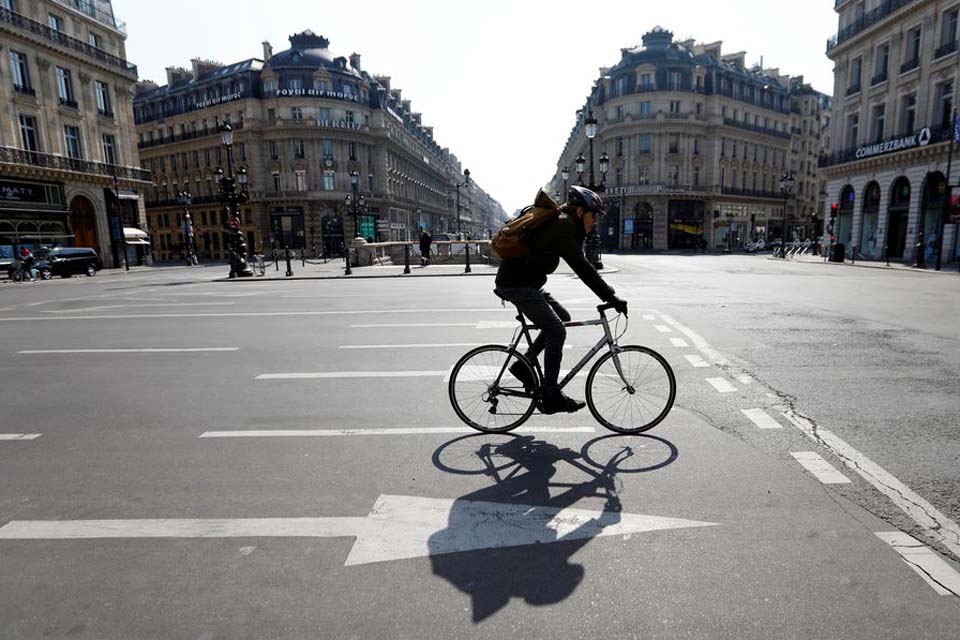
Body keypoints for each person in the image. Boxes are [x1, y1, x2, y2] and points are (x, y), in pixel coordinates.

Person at [494, 186, 628, 415]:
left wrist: (608, 293)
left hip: (527, 283)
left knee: (562, 318)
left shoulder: (565, 223)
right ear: (579, 212)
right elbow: (582, 266)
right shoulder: (564, 225)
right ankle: (551, 393)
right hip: (517, 285)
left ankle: (523, 365)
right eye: (593, 215)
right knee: (557, 330)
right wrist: (610, 297)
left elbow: (581, 261)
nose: (595, 221)